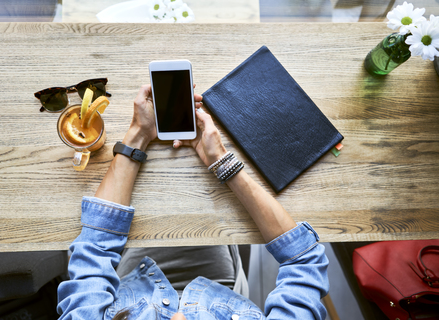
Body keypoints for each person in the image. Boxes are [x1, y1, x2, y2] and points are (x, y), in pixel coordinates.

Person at [57, 84, 329, 320]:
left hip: (132, 274)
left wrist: (139, 133)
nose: (179, 317)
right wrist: (220, 161)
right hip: (218, 282)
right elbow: (302, 260)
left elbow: (96, 246)